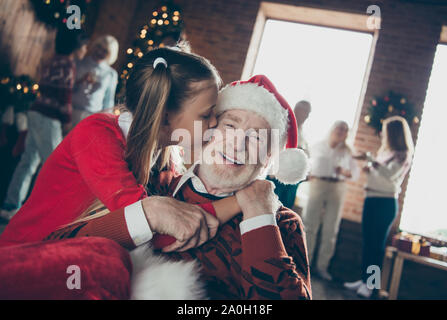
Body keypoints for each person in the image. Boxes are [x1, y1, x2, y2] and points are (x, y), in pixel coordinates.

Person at [45, 75, 312, 300]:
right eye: (230, 126)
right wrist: (148, 214)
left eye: (256, 137)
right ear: (207, 131)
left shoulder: (282, 223)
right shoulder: (152, 183)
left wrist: (259, 216)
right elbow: (59, 248)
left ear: (268, 158)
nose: (237, 144)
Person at [0, 47, 235, 251]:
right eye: (206, 114)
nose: (214, 122)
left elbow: (183, 215)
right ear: (164, 118)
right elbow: (161, 233)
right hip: (24, 258)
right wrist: (240, 202)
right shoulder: (96, 135)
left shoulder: (168, 157)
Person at [0, 28, 88, 221]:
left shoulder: (54, 60)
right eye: (84, 46)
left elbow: (52, 87)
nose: (86, 50)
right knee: (55, 165)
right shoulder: (68, 64)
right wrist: (66, 121)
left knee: (28, 160)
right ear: (77, 47)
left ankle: (10, 205)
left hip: (36, 111)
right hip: (49, 117)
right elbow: (64, 95)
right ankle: (47, 213)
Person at [344, 116, 414, 298]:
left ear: (394, 133)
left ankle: (371, 285)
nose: (383, 135)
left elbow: (390, 174)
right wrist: (371, 167)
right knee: (368, 242)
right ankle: (363, 279)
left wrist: (372, 162)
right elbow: (380, 172)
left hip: (385, 203)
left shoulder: (403, 154)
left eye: (386, 131)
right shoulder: (386, 152)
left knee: (376, 245)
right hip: (371, 198)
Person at [302, 120, 359, 281]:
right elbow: (306, 163)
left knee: (331, 228)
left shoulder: (348, 151)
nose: (341, 131)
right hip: (317, 184)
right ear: (332, 129)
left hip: (337, 187)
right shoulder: (317, 146)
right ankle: (304, 264)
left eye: (345, 130)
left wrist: (345, 172)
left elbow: (355, 174)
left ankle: (322, 267)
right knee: (310, 225)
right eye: (339, 128)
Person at [268, 100, 311, 209]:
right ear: (295, 109)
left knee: (285, 208)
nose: (304, 114)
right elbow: (272, 146)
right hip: (276, 175)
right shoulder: (282, 125)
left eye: (306, 112)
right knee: (270, 205)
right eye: (301, 110)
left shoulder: (304, 134)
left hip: (292, 179)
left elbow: (307, 154)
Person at [71, 35, 119, 127]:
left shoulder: (111, 74)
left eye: (105, 51)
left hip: (92, 118)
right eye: (99, 47)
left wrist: (105, 123)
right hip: (72, 111)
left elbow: (108, 101)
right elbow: (68, 88)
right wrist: (80, 81)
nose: (99, 52)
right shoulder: (79, 63)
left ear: (110, 54)